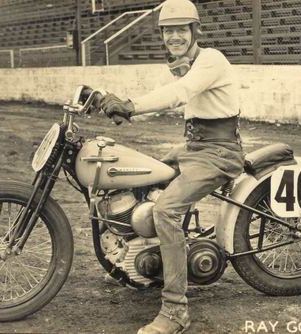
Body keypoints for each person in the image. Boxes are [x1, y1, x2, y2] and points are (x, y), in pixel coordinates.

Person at [100, 0, 245, 333]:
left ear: (195, 31)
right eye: (168, 30)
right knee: (136, 175)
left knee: (165, 210)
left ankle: (175, 311)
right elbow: (167, 91)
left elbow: (179, 93)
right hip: (194, 148)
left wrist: (131, 106)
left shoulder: (210, 60)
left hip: (218, 153)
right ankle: (140, 259)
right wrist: (109, 102)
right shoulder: (185, 63)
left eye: (181, 29)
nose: (174, 36)